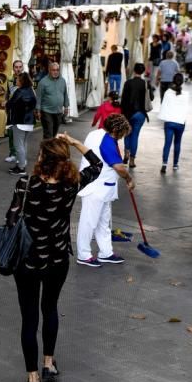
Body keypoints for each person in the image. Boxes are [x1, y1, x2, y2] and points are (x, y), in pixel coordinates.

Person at [5, 135, 102, 382]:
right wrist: (72, 141)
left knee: (29, 319)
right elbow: (96, 164)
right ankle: (48, 363)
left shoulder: (26, 183)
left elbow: (11, 218)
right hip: (57, 259)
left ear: (41, 159)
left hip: (27, 261)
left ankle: (33, 378)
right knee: (50, 309)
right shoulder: (71, 183)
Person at [76, 114, 134, 268]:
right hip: (96, 188)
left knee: (103, 222)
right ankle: (83, 255)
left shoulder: (96, 133)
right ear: (115, 129)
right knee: (89, 222)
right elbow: (119, 167)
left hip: (102, 187)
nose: (121, 137)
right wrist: (129, 179)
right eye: (121, 134)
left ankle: (106, 253)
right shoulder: (107, 141)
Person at [120, 63, 151, 169]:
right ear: (142, 72)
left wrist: (122, 113)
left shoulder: (128, 83)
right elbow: (150, 97)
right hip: (140, 113)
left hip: (128, 113)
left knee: (127, 134)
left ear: (134, 71)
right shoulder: (145, 83)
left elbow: (123, 99)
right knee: (135, 136)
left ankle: (126, 155)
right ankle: (132, 160)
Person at [6, 72, 36, 176]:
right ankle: (21, 163)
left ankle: (21, 167)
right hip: (29, 121)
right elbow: (34, 104)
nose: (16, 81)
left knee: (18, 145)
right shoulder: (31, 91)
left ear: (22, 81)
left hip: (19, 121)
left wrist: (5, 104)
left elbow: (11, 103)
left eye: (18, 80)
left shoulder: (19, 91)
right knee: (23, 144)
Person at [159, 73, 189, 173]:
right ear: (182, 82)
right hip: (180, 122)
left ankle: (164, 164)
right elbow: (186, 109)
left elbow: (163, 106)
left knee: (167, 143)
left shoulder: (168, 92)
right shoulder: (186, 95)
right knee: (177, 143)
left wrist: (163, 118)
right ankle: (175, 164)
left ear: (173, 81)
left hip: (169, 122)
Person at [35, 61, 69, 139]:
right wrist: (38, 111)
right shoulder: (43, 82)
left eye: (57, 70)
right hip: (47, 111)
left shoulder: (62, 81)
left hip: (58, 111)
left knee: (54, 133)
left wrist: (66, 106)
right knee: (48, 133)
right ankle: (47, 150)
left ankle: (45, 149)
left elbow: (65, 94)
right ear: (49, 70)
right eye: (53, 70)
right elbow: (39, 97)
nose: (55, 72)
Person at [5, 59, 24, 164]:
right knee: (11, 132)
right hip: (11, 110)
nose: (18, 69)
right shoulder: (9, 79)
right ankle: (12, 154)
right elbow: (8, 93)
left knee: (20, 134)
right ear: (13, 68)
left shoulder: (26, 79)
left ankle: (20, 155)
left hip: (21, 111)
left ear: (23, 67)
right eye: (16, 67)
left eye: (20, 67)